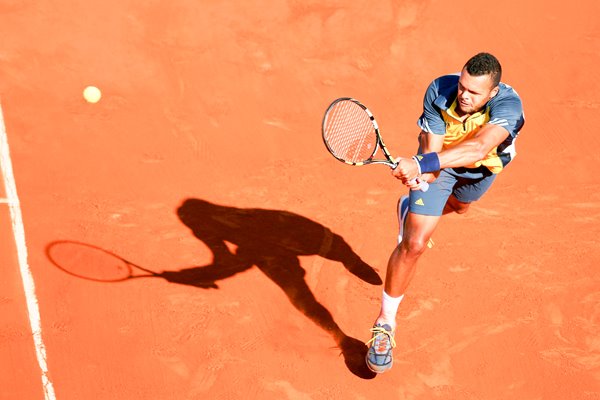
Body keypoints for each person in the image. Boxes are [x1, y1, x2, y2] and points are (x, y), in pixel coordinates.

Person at [365, 52, 525, 373]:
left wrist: (422, 165)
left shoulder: (509, 105)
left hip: (481, 168)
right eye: (463, 86)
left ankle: (409, 207)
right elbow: (432, 151)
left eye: (474, 92)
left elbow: (480, 147)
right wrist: (422, 172)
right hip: (442, 163)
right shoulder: (440, 90)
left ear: (492, 92)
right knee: (414, 245)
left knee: (461, 207)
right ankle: (385, 325)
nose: (464, 95)